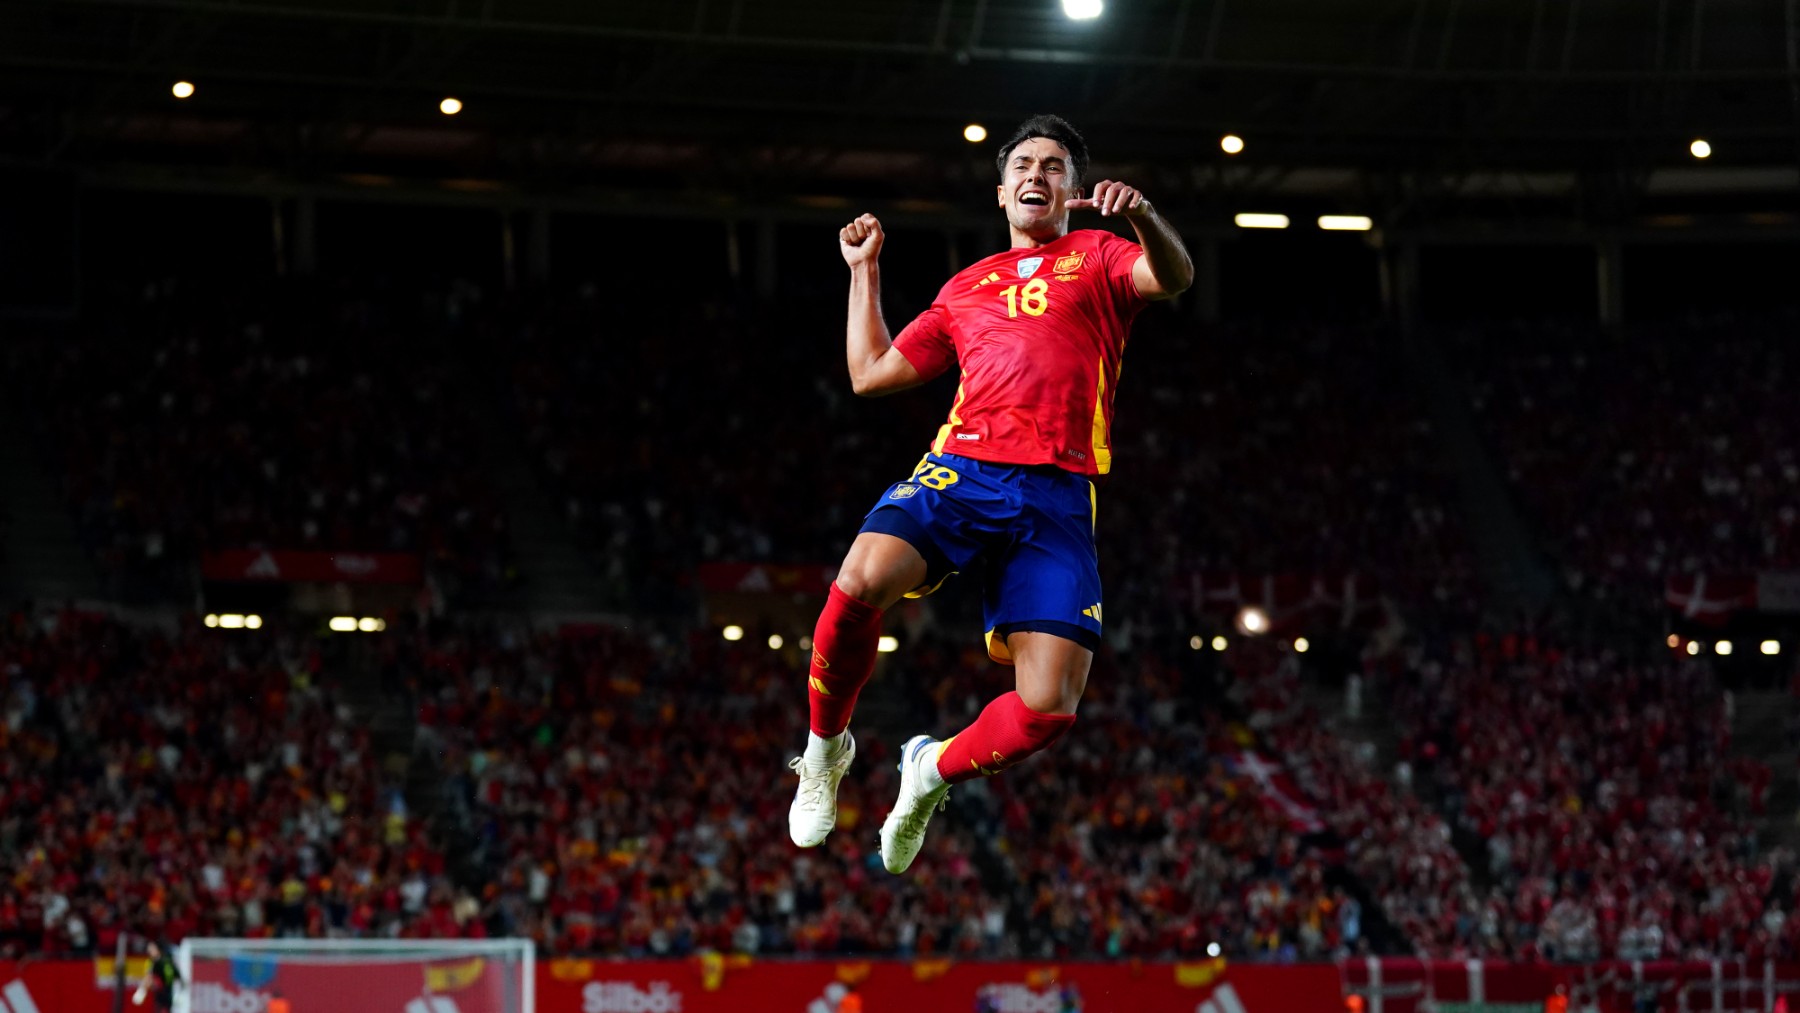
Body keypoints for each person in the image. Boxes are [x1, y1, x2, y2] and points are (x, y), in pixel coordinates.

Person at [786, 113, 1193, 873]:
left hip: (1059, 495)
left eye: (1053, 166)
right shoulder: (966, 287)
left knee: (1047, 710)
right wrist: (863, 269)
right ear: (1002, 191)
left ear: (1073, 190)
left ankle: (926, 773)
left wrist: (1141, 216)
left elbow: (1172, 277)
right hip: (965, 470)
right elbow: (870, 373)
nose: (1036, 175)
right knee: (859, 577)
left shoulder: (1102, 257)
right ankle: (823, 752)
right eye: (1023, 166)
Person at [131, 939, 182, 1010]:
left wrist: (178, 992)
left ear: (157, 949)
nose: (149, 951)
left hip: (170, 991)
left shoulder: (166, 960)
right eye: (149, 950)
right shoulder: (150, 962)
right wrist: (142, 990)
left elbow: (176, 976)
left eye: (152, 949)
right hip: (159, 993)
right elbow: (148, 977)